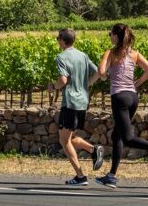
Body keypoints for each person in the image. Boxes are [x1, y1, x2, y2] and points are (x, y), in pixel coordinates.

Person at [95, 23, 148, 189]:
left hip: (119, 97)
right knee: (117, 136)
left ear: (116, 36)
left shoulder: (111, 53)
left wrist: (104, 75)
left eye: (110, 34)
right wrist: (137, 83)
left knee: (128, 138)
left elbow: (101, 73)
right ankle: (111, 176)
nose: (110, 37)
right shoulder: (134, 54)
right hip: (132, 96)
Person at [48, 28, 105, 186]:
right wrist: (87, 84)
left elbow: (63, 81)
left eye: (58, 38)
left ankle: (80, 176)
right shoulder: (83, 55)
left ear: (62, 40)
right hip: (82, 102)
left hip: (70, 102)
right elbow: (100, 73)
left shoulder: (61, 57)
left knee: (64, 141)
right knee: (69, 137)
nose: (57, 40)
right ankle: (93, 150)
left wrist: (53, 86)